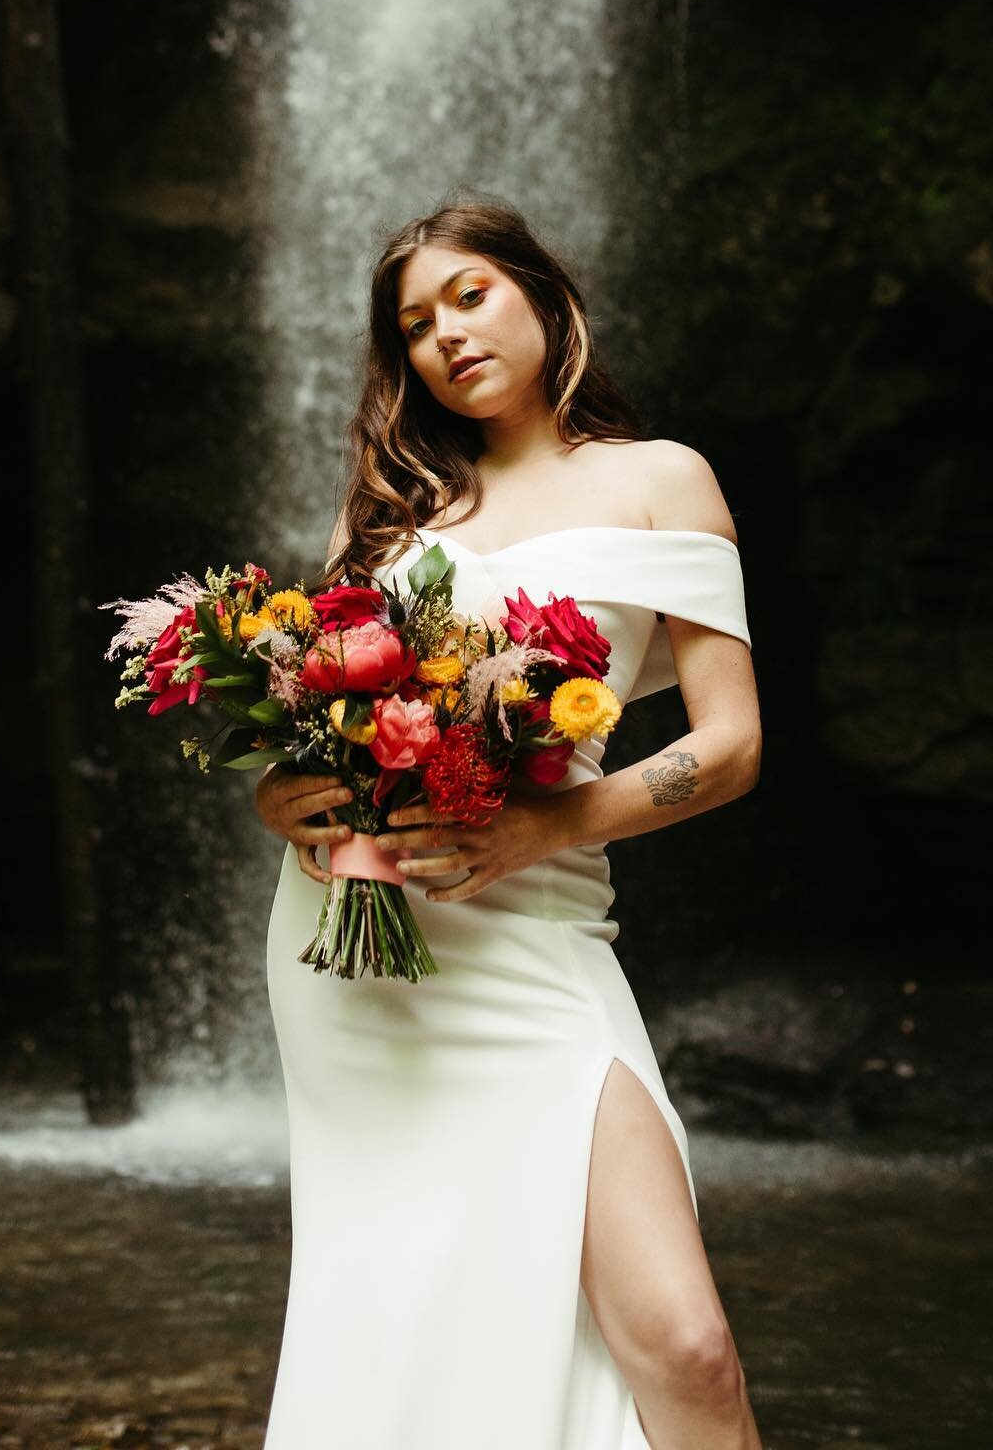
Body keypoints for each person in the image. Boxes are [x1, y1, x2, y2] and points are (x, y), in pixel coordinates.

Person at [255, 193, 764, 1449]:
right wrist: (283, 797)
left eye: (470, 296)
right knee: (414, 1320)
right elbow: (320, 735)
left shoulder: (660, 480)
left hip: (538, 930)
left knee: (687, 1349)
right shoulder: (395, 522)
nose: (447, 336)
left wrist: (547, 826)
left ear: (544, 293)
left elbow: (732, 742)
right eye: (416, 325)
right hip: (364, 942)